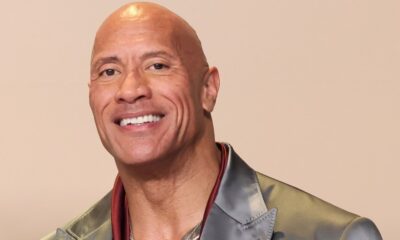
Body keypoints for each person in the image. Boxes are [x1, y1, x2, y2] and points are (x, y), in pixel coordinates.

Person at [42, 2, 382, 240]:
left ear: (208, 88)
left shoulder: (332, 236)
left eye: (157, 65)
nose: (130, 89)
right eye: (109, 71)